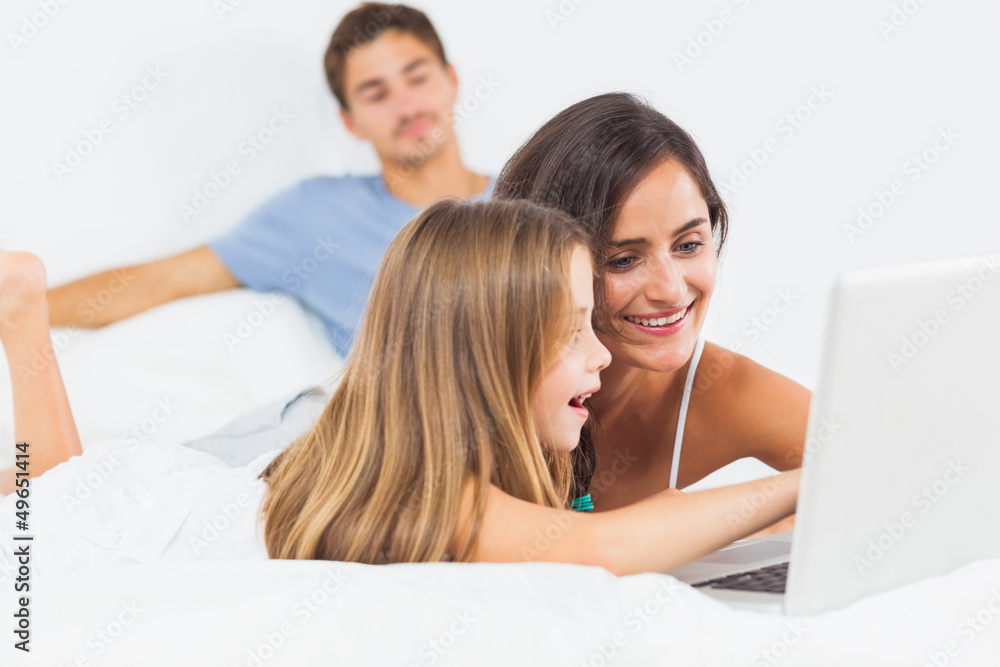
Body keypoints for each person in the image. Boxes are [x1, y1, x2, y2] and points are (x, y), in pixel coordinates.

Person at [0, 200, 797, 575]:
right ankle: (24, 319)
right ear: (491, 353)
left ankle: (22, 319)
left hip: (165, 486)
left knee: (57, 481)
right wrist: (800, 481)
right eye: (572, 332)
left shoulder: (440, 470)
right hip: (137, 507)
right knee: (46, 502)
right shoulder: (428, 491)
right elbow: (609, 546)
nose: (601, 356)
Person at [46, 3, 493, 358]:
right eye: (376, 93)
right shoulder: (316, 217)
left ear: (451, 80)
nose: (408, 106)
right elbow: (161, 280)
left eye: (417, 77)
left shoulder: (532, 193)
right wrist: (23, 307)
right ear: (350, 121)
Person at [494, 93, 809, 525]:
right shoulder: (470, 391)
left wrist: (780, 525)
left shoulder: (724, 388)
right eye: (623, 260)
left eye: (688, 245)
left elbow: (892, 476)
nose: (671, 290)